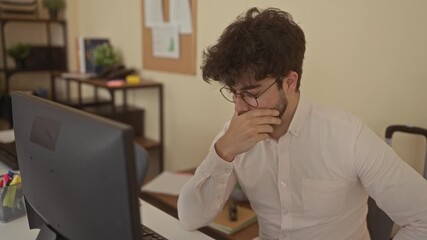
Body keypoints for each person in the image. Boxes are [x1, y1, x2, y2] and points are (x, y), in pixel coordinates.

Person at [177, 7, 427, 240]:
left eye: (251, 93)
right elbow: (190, 218)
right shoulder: (235, 135)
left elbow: (422, 217)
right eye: (233, 92)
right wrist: (223, 152)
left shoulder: (348, 136)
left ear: (289, 82)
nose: (239, 107)